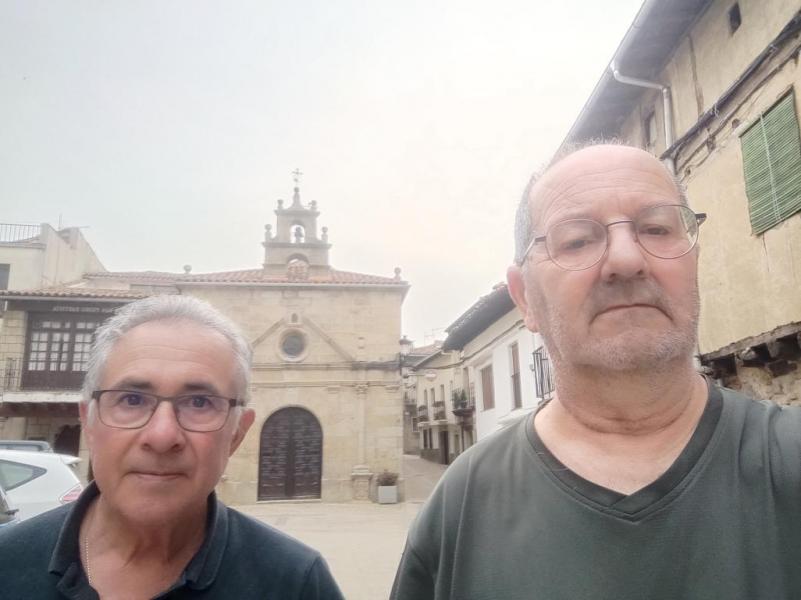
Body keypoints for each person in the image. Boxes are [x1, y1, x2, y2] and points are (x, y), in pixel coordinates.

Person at [391, 144, 801, 599]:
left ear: (694, 263)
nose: (626, 260)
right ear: (524, 297)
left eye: (656, 228)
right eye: (577, 240)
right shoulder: (460, 508)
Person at [0, 295, 344, 599]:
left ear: (236, 434)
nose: (162, 436)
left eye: (198, 402)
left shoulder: (296, 583)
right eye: (132, 399)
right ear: (88, 421)